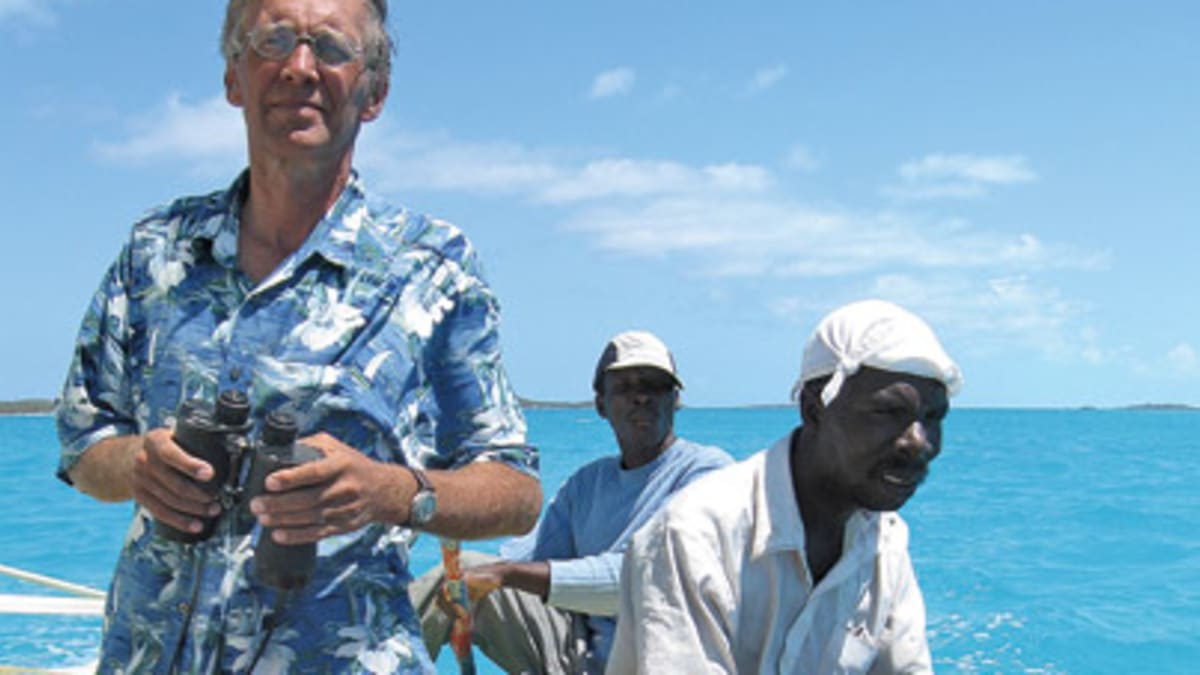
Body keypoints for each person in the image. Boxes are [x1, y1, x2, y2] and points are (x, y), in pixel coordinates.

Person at [54, 0, 541, 672]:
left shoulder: (434, 267)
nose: (300, 67)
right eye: (274, 39)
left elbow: (515, 489)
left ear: (374, 92)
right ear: (234, 76)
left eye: (332, 47)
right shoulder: (156, 251)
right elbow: (84, 443)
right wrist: (138, 464)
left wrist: (390, 491)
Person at [607, 300, 963, 674]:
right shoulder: (695, 534)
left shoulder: (884, 541)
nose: (919, 442)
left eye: (933, 418)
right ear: (813, 409)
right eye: (888, 413)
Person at [411, 330, 734, 674]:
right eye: (624, 387)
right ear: (601, 405)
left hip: (667, 662)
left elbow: (639, 583)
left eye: (654, 386)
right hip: (584, 657)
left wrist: (503, 574)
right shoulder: (586, 484)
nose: (640, 397)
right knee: (453, 579)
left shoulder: (707, 474)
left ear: (676, 399)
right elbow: (524, 560)